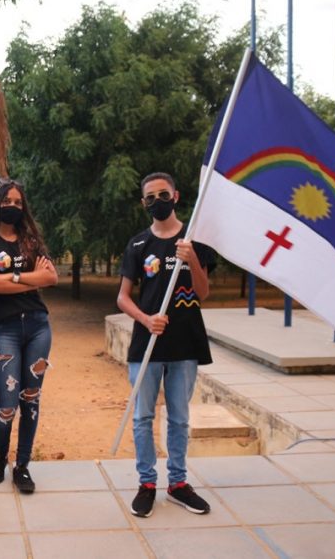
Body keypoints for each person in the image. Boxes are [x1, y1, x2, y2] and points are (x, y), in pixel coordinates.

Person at [116, 172, 216, 518]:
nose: (156, 201)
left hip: (185, 343)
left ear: (176, 195)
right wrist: (145, 319)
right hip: (147, 344)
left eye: (163, 194)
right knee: (143, 416)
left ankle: (178, 484)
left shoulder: (195, 241)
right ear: (144, 203)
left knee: (179, 417)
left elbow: (202, 294)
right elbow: (123, 298)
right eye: (149, 197)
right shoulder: (138, 245)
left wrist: (191, 261)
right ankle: (146, 484)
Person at [0, 179, 57, 493]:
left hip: (38, 326)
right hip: (3, 328)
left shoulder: (31, 240)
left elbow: (51, 277)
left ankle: (22, 466)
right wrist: (29, 278)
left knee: (30, 400)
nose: (13, 206)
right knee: (7, 402)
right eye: (7, 201)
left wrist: (14, 276)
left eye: (18, 202)